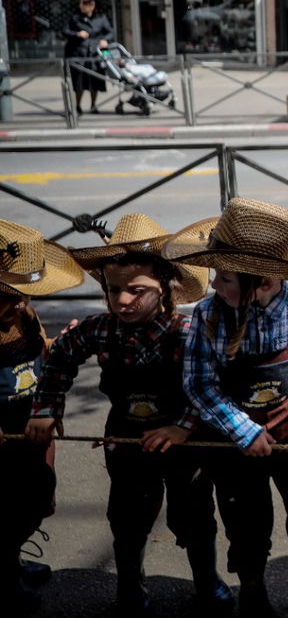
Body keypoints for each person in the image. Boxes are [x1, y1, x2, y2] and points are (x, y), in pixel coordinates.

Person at [26, 215, 232, 617]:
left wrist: (184, 426)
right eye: (114, 290)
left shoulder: (189, 333)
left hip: (183, 442)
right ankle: (130, 585)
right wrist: (46, 409)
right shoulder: (99, 330)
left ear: (168, 290)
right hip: (125, 436)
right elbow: (60, 360)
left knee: (194, 515)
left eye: (137, 291)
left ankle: (206, 579)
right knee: (127, 517)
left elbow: (210, 385)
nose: (122, 301)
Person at [166, 198, 288, 618]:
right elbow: (199, 384)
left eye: (225, 278)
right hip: (235, 444)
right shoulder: (208, 315)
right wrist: (243, 430)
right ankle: (253, 591)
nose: (215, 285)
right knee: (245, 524)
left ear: (265, 282)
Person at [1, 222, 84, 616]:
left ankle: (11, 559)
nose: (18, 303)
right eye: (8, 294)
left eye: (23, 295)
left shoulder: (22, 314)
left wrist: (60, 343)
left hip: (28, 425)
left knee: (32, 499)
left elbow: (38, 353)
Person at [62, 0, 115, 115]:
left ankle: (93, 105)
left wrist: (105, 40)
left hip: (94, 54)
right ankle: (78, 106)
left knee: (94, 81)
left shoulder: (101, 18)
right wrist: (77, 34)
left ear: (92, 5)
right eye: (80, 3)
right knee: (79, 82)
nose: (81, 6)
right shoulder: (75, 18)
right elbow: (64, 31)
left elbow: (110, 32)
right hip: (78, 54)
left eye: (84, 4)